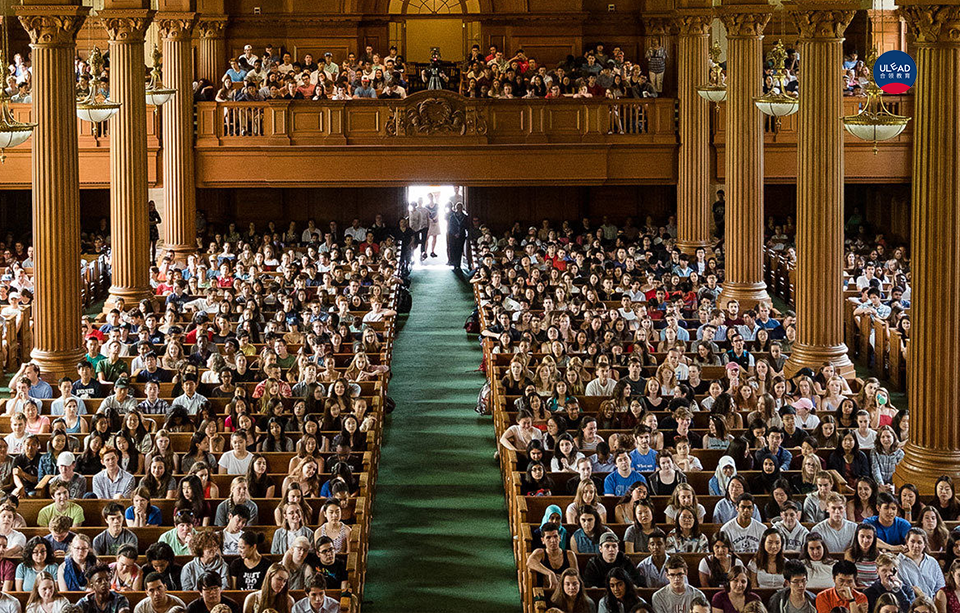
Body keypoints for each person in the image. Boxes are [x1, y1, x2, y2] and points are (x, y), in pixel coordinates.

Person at [525, 522, 578, 590]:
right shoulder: (540, 553)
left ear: (560, 538)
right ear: (543, 540)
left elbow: (576, 577)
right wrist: (550, 573)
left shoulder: (569, 555)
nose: (553, 540)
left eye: (555, 536)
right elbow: (530, 562)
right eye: (548, 538)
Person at [897, 528, 944, 600]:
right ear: (907, 542)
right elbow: (898, 588)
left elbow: (940, 587)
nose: (915, 546)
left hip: (932, 603)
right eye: (912, 541)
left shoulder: (932, 562)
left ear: (924, 544)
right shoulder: (898, 562)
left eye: (919, 542)